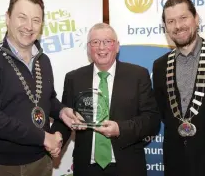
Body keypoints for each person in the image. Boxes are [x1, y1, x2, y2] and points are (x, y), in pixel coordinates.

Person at [52, 23, 160, 176]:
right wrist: (56, 138)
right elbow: (66, 118)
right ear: (89, 48)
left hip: (128, 167)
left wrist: (120, 129)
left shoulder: (138, 75)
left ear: (117, 46)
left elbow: (151, 120)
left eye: (107, 42)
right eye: (95, 42)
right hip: (86, 168)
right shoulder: (74, 78)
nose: (101, 47)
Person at [0, 0, 65, 176]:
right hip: (1, 165)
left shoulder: (43, 60)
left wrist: (61, 111)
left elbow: (47, 99)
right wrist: (44, 137)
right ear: (7, 18)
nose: (29, 26)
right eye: (22, 17)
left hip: (41, 162)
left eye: (36, 20)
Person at [152, 0, 205, 176]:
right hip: (176, 164)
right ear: (165, 27)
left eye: (183, 18)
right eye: (171, 21)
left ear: (196, 19)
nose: (178, 26)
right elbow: (164, 113)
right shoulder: (159, 66)